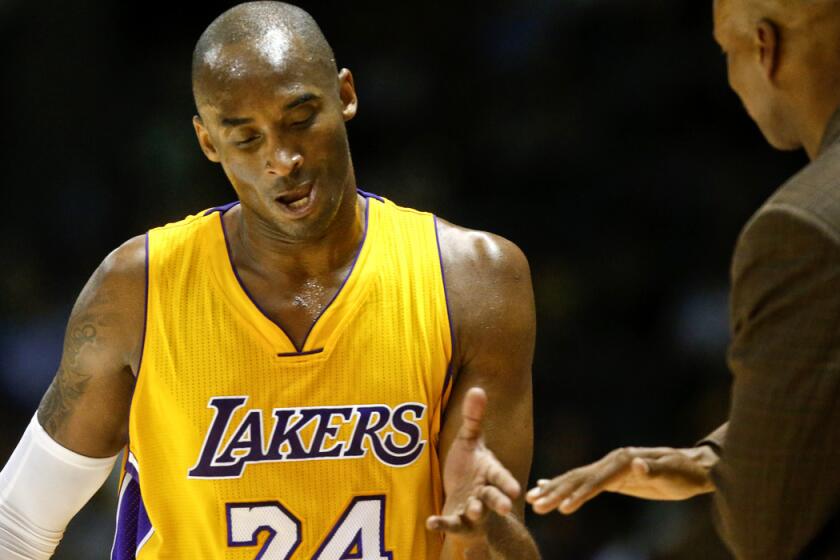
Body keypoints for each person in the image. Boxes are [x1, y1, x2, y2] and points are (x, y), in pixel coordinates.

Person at [0, 3, 541, 559]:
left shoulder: (475, 282)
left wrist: (486, 532)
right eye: (246, 139)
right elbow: (16, 523)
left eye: (300, 118)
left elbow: (488, 543)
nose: (283, 159)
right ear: (208, 142)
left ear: (346, 95)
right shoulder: (135, 292)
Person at [526, 0, 840, 557]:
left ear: (765, 49)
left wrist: (748, 474)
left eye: (727, 51)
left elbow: (768, 528)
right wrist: (718, 457)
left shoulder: (800, 227)